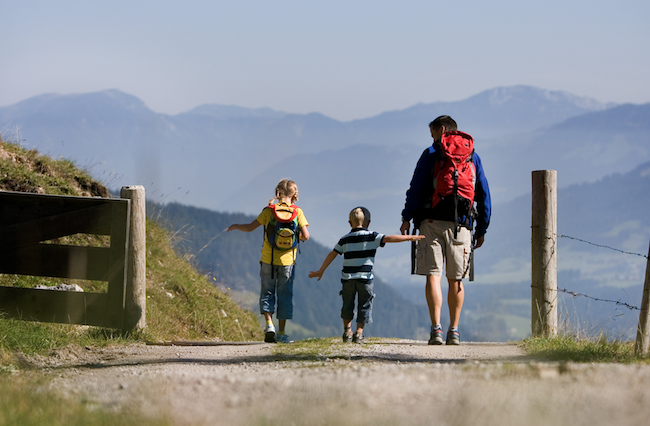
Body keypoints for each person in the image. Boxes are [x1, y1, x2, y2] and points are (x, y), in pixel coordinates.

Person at [400, 115, 491, 345]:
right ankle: (454, 330)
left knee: (433, 275)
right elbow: (484, 194)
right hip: (461, 225)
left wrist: (406, 217)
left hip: (430, 223)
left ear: (441, 130)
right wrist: (481, 229)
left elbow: (416, 188)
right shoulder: (472, 156)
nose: (432, 140)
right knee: (456, 279)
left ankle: (436, 329)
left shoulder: (430, 154)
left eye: (432, 135)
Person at [309, 207, 424, 344]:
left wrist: (321, 270)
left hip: (348, 279)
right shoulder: (372, 236)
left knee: (348, 305)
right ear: (368, 223)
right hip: (365, 279)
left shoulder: (344, 239)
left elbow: (332, 254)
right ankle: (359, 333)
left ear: (350, 223)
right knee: (364, 305)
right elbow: (389, 238)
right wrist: (409, 237)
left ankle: (347, 330)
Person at [227, 179, 309, 343]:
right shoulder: (297, 212)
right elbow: (306, 236)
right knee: (284, 294)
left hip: (268, 259)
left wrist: (236, 225)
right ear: (294, 195)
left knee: (267, 292)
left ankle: (269, 325)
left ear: (278, 193)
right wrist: (295, 238)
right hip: (287, 261)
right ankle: (282, 332)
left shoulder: (269, 211)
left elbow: (250, 227)